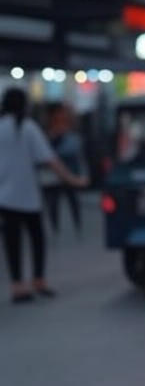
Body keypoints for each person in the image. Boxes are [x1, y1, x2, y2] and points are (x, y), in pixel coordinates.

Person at [0, 88, 85, 302]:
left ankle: (18, 286)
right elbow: (50, 159)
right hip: (27, 195)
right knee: (37, 238)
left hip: (4, 196)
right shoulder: (28, 127)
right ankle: (38, 280)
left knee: (12, 243)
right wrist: (73, 179)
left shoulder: (2, 128)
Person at [41, 103, 85, 235]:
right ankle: (55, 228)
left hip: (70, 169)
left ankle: (78, 226)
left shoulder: (70, 127)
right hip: (55, 172)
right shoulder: (48, 130)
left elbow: (76, 147)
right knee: (53, 202)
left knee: (73, 200)